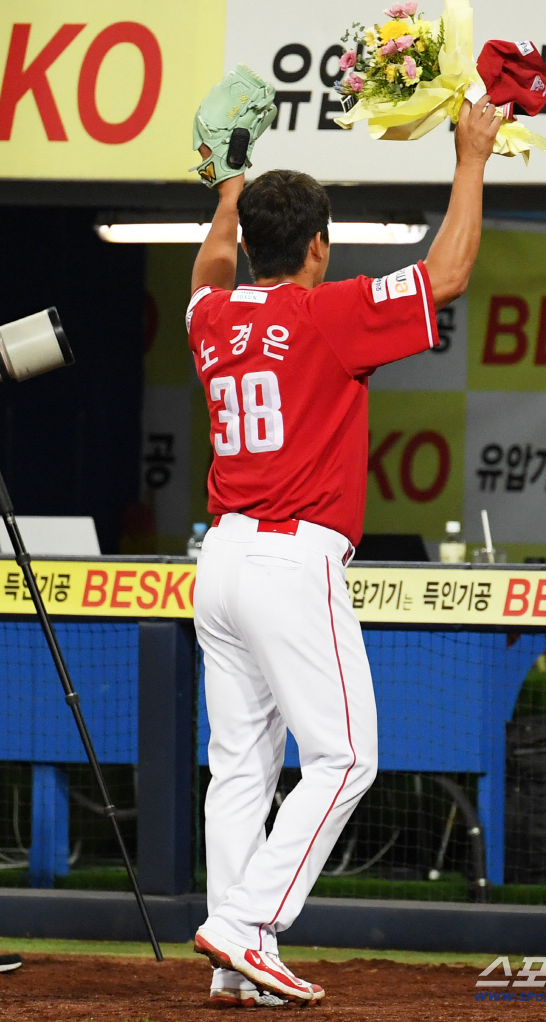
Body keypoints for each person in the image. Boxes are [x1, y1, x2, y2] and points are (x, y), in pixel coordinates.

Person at [188, 94, 500, 1008]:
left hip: (222, 561)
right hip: (290, 560)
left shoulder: (211, 320)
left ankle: (228, 960)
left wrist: (226, 180)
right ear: (318, 247)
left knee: (241, 764)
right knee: (348, 756)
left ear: (251, 242)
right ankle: (247, 927)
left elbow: (210, 262)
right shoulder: (325, 315)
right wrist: (473, 156)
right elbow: (446, 274)